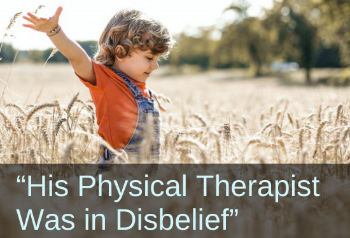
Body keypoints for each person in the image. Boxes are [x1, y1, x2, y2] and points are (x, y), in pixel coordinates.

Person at [23, 7, 174, 166]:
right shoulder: (105, 81)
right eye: (149, 57)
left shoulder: (142, 88)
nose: (156, 65)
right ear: (121, 52)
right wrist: (54, 31)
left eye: (157, 59)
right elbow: (78, 58)